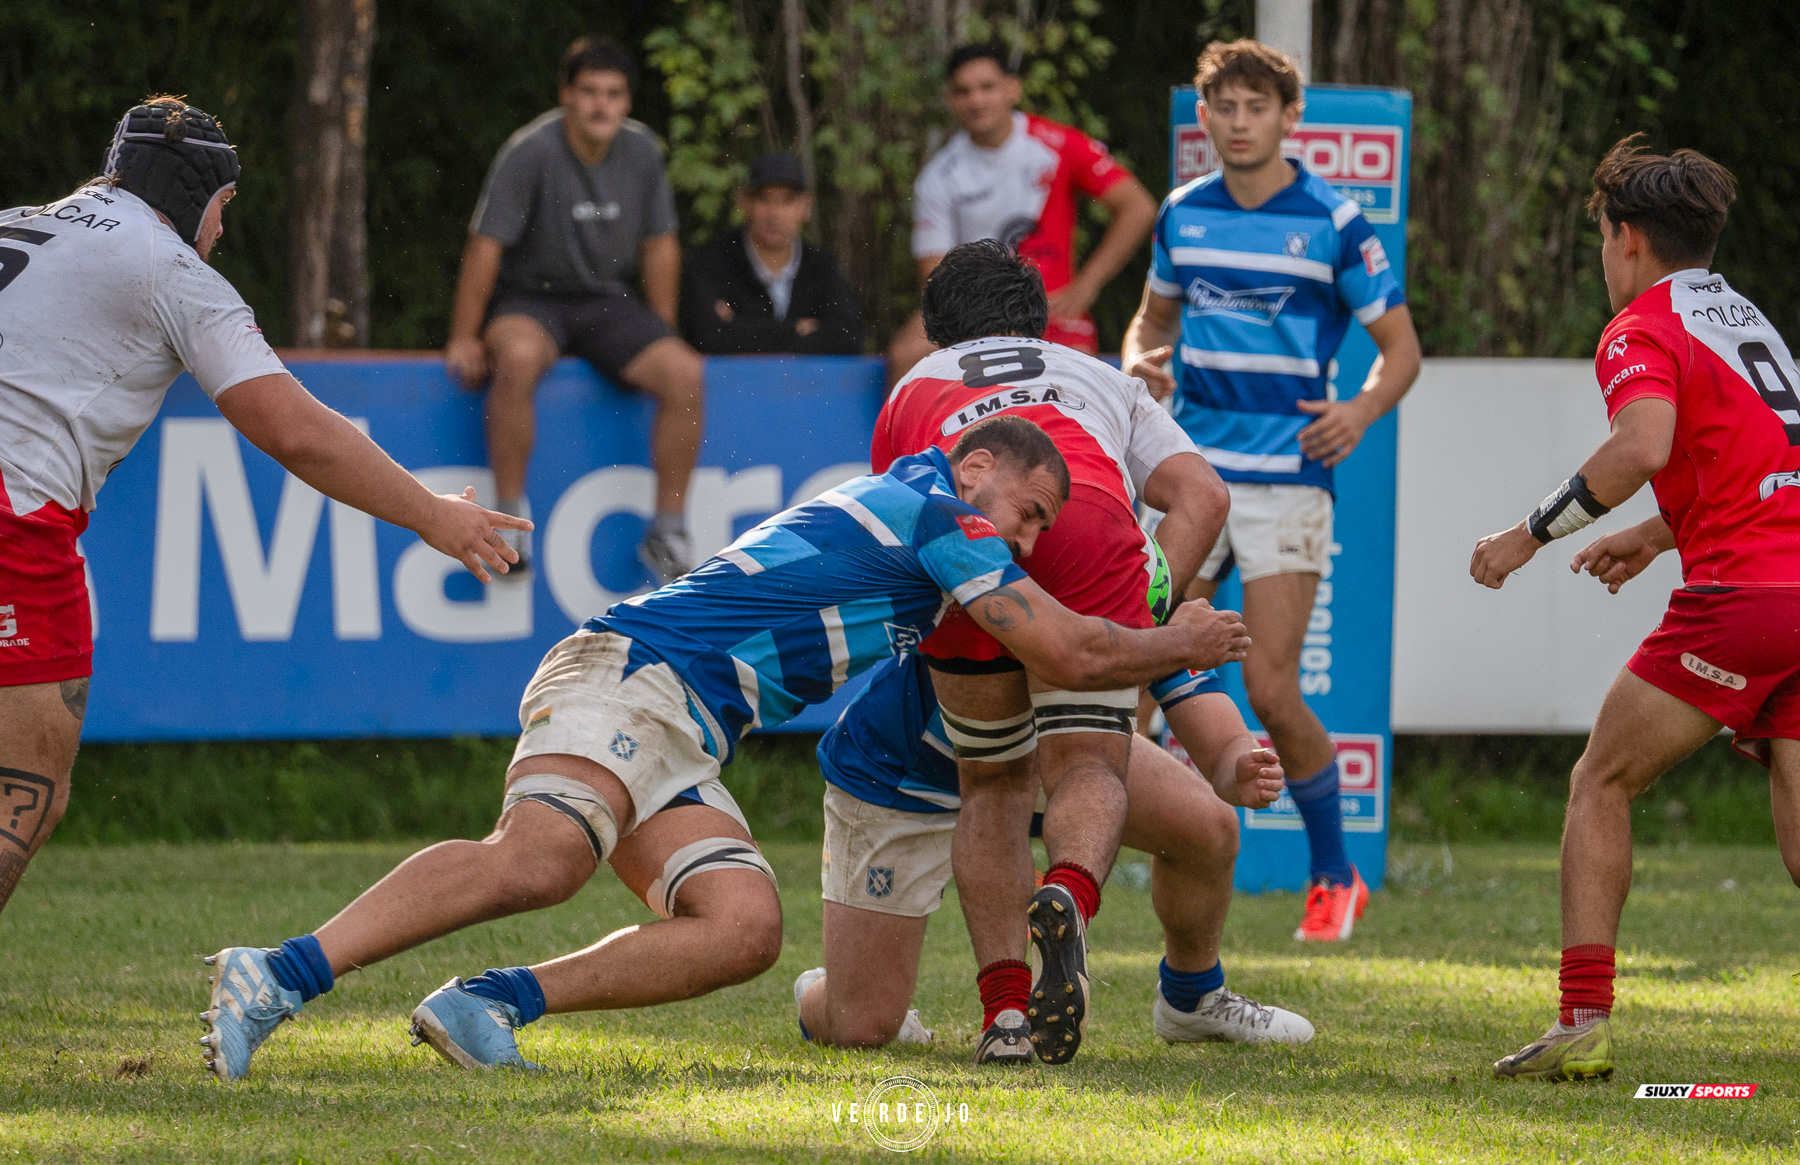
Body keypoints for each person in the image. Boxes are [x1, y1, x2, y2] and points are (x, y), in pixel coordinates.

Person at [199, 412, 1249, 1082]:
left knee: (743, 927)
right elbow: (1066, 645)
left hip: (688, 723)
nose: (1027, 540)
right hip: (636, 671)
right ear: (976, 468)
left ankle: (489, 1002)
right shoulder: (939, 511)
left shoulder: (931, 519)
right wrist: (1181, 639)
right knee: (541, 857)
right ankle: (278, 972)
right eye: (1028, 514)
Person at [0, 97, 528, 917]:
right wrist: (430, 511)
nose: (221, 231)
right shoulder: (170, 269)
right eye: (224, 206)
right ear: (191, 192)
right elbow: (293, 430)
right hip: (16, 511)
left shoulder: (18, 223)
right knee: (20, 792)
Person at [1472, 136, 1800, 1082]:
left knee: (1601, 782)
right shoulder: (1746, 316)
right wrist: (1657, 537)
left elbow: (1643, 442)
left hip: (1742, 599)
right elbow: (1752, 460)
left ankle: (1583, 1021)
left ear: (1624, 238)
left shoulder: (1641, 326)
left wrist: (1524, 536)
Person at [871, 239, 1238, 1065]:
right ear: (1039, 322)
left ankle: (1004, 1016)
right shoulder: (1097, 374)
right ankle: (1069, 891)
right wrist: (1141, 616)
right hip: (1086, 516)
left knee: (993, 785)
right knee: (1090, 769)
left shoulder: (912, 388)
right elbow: (1204, 497)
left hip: (970, 537)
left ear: (938, 331)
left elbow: (902, 516)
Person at [1119, 39, 1422, 942]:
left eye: (1258, 108)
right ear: (1205, 118)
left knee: (1272, 686)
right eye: (1225, 108)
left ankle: (1335, 875)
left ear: (1291, 120)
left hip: (1289, 479)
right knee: (1133, 672)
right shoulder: (1182, 212)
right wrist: (1140, 361)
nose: (1240, 123)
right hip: (1192, 478)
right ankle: (1110, 854)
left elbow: (1402, 350)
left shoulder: (1332, 219)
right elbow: (1150, 321)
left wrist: (1361, 411)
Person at [794, 642, 1315, 1058]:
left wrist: (1236, 759)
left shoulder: (1127, 560)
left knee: (1207, 827)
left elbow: (1193, 695)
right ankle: (839, 988)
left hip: (1054, 754)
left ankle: (1193, 997)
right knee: (862, 1026)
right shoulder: (994, 555)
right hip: (903, 773)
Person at [444, 36, 704, 583]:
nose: (601, 105)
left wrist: (662, 326)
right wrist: (464, 336)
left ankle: (668, 530)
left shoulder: (643, 151)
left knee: (684, 371)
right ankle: (510, 520)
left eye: (613, 94)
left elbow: (661, 243)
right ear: (567, 95)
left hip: (609, 300)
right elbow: (484, 245)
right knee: (515, 357)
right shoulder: (529, 150)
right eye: (589, 92)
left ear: (628, 101)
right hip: (530, 298)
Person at [886, 42, 1157, 385]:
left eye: (987, 87)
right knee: (906, 353)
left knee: (1083, 386)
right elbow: (933, 277)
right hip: (975, 315)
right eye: (963, 91)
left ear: (1012, 88)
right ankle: (907, 440)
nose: (977, 100)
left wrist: (1087, 285)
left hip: (1051, 310)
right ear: (950, 99)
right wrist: (981, 319)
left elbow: (1138, 206)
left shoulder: (1058, 144)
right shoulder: (938, 176)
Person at [678, 152, 863, 355]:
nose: (774, 213)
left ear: (806, 206)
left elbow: (848, 336)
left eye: (787, 201)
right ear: (745, 202)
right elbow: (707, 337)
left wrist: (743, 328)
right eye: (764, 199)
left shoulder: (822, 265)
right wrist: (796, 328)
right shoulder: (710, 262)